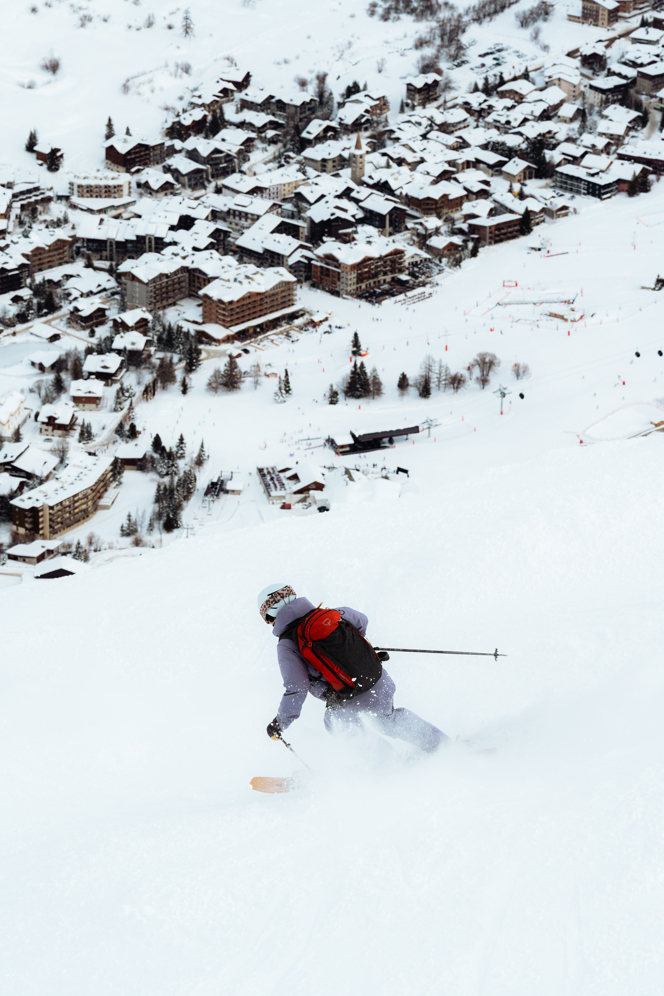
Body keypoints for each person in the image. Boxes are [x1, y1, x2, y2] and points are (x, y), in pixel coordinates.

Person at [259, 584, 448, 755]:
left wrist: (279, 723)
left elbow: (297, 687)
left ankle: (388, 764)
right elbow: (362, 621)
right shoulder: (332, 614)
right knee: (388, 719)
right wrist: (353, 652)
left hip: (349, 695)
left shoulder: (287, 645)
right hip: (377, 678)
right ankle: (441, 745)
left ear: (271, 616)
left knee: (336, 723)